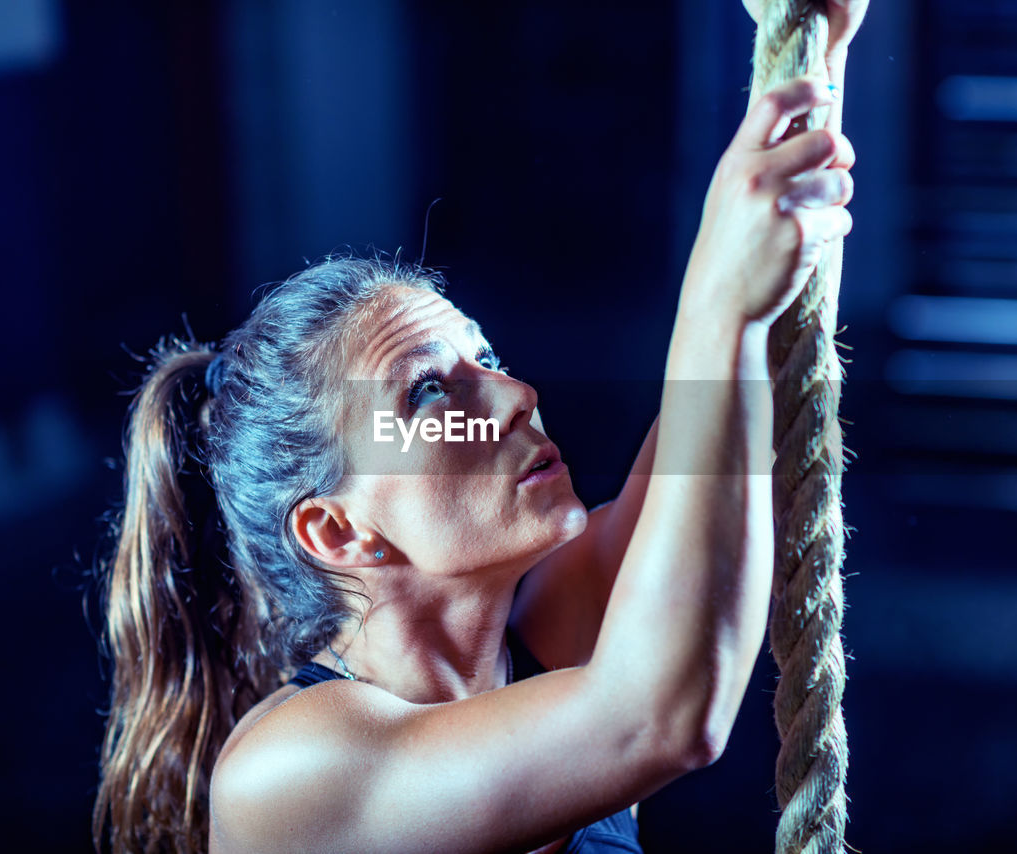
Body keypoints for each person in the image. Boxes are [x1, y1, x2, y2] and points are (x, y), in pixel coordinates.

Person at [92, 5, 865, 852]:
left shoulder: (548, 628)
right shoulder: (290, 774)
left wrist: (813, 52)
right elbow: (662, 717)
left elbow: (731, 393)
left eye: (487, 356)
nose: (517, 394)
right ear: (337, 529)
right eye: (428, 394)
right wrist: (718, 294)